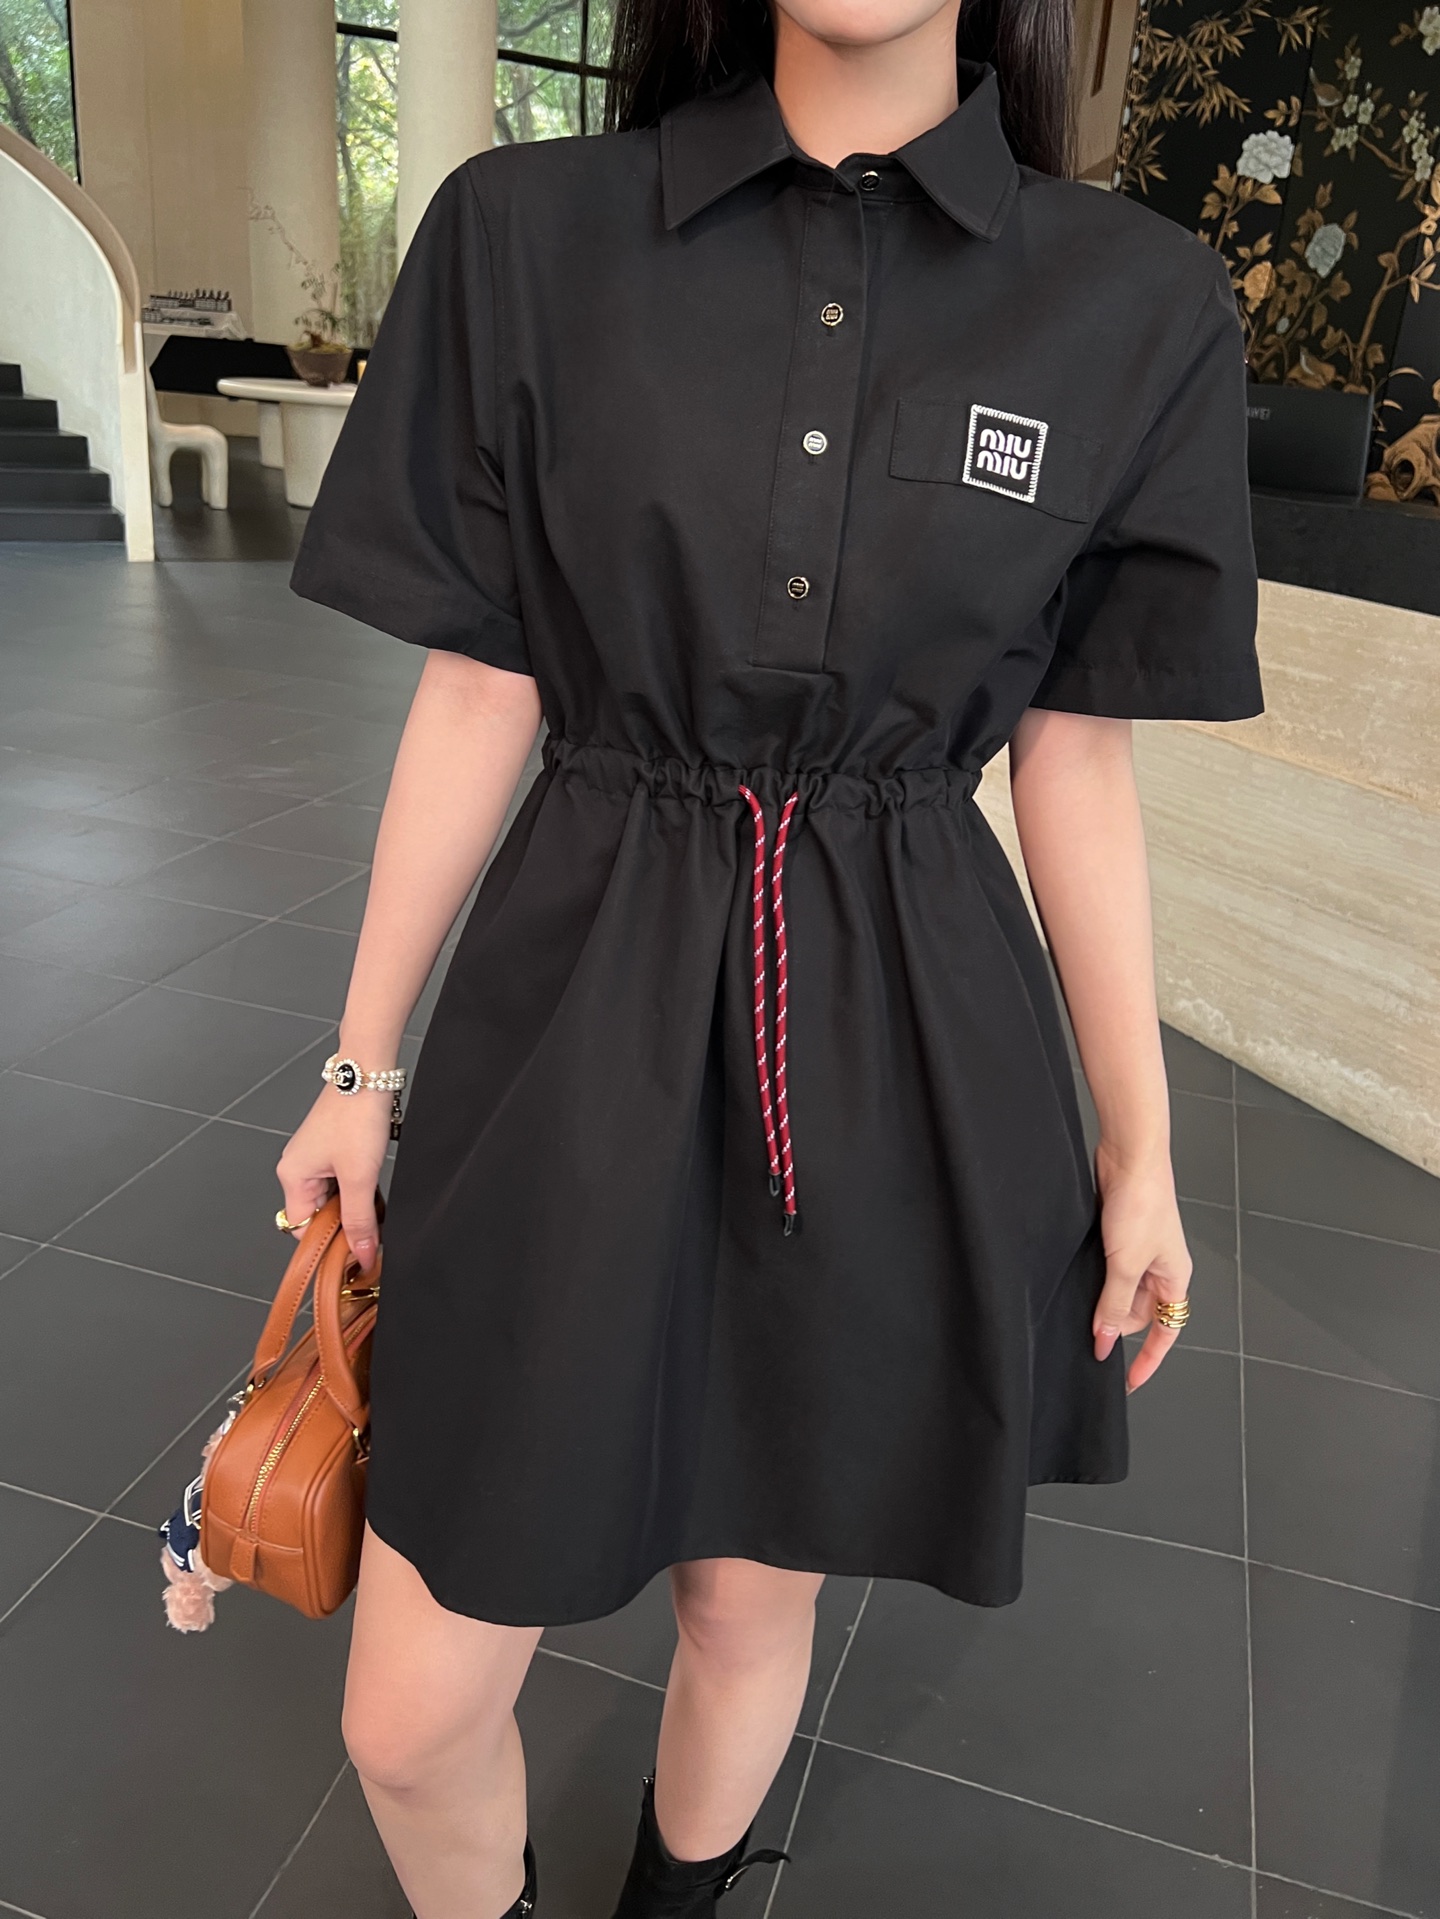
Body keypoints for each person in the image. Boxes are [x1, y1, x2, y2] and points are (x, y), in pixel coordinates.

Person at [279, 0, 1263, 1909]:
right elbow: (480, 687)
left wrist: (1140, 1147)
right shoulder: (526, 232)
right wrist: (359, 1063)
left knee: (751, 1595)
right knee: (407, 1713)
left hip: (892, 1030)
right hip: (578, 1006)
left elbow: (1073, 761)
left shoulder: (1133, 299)